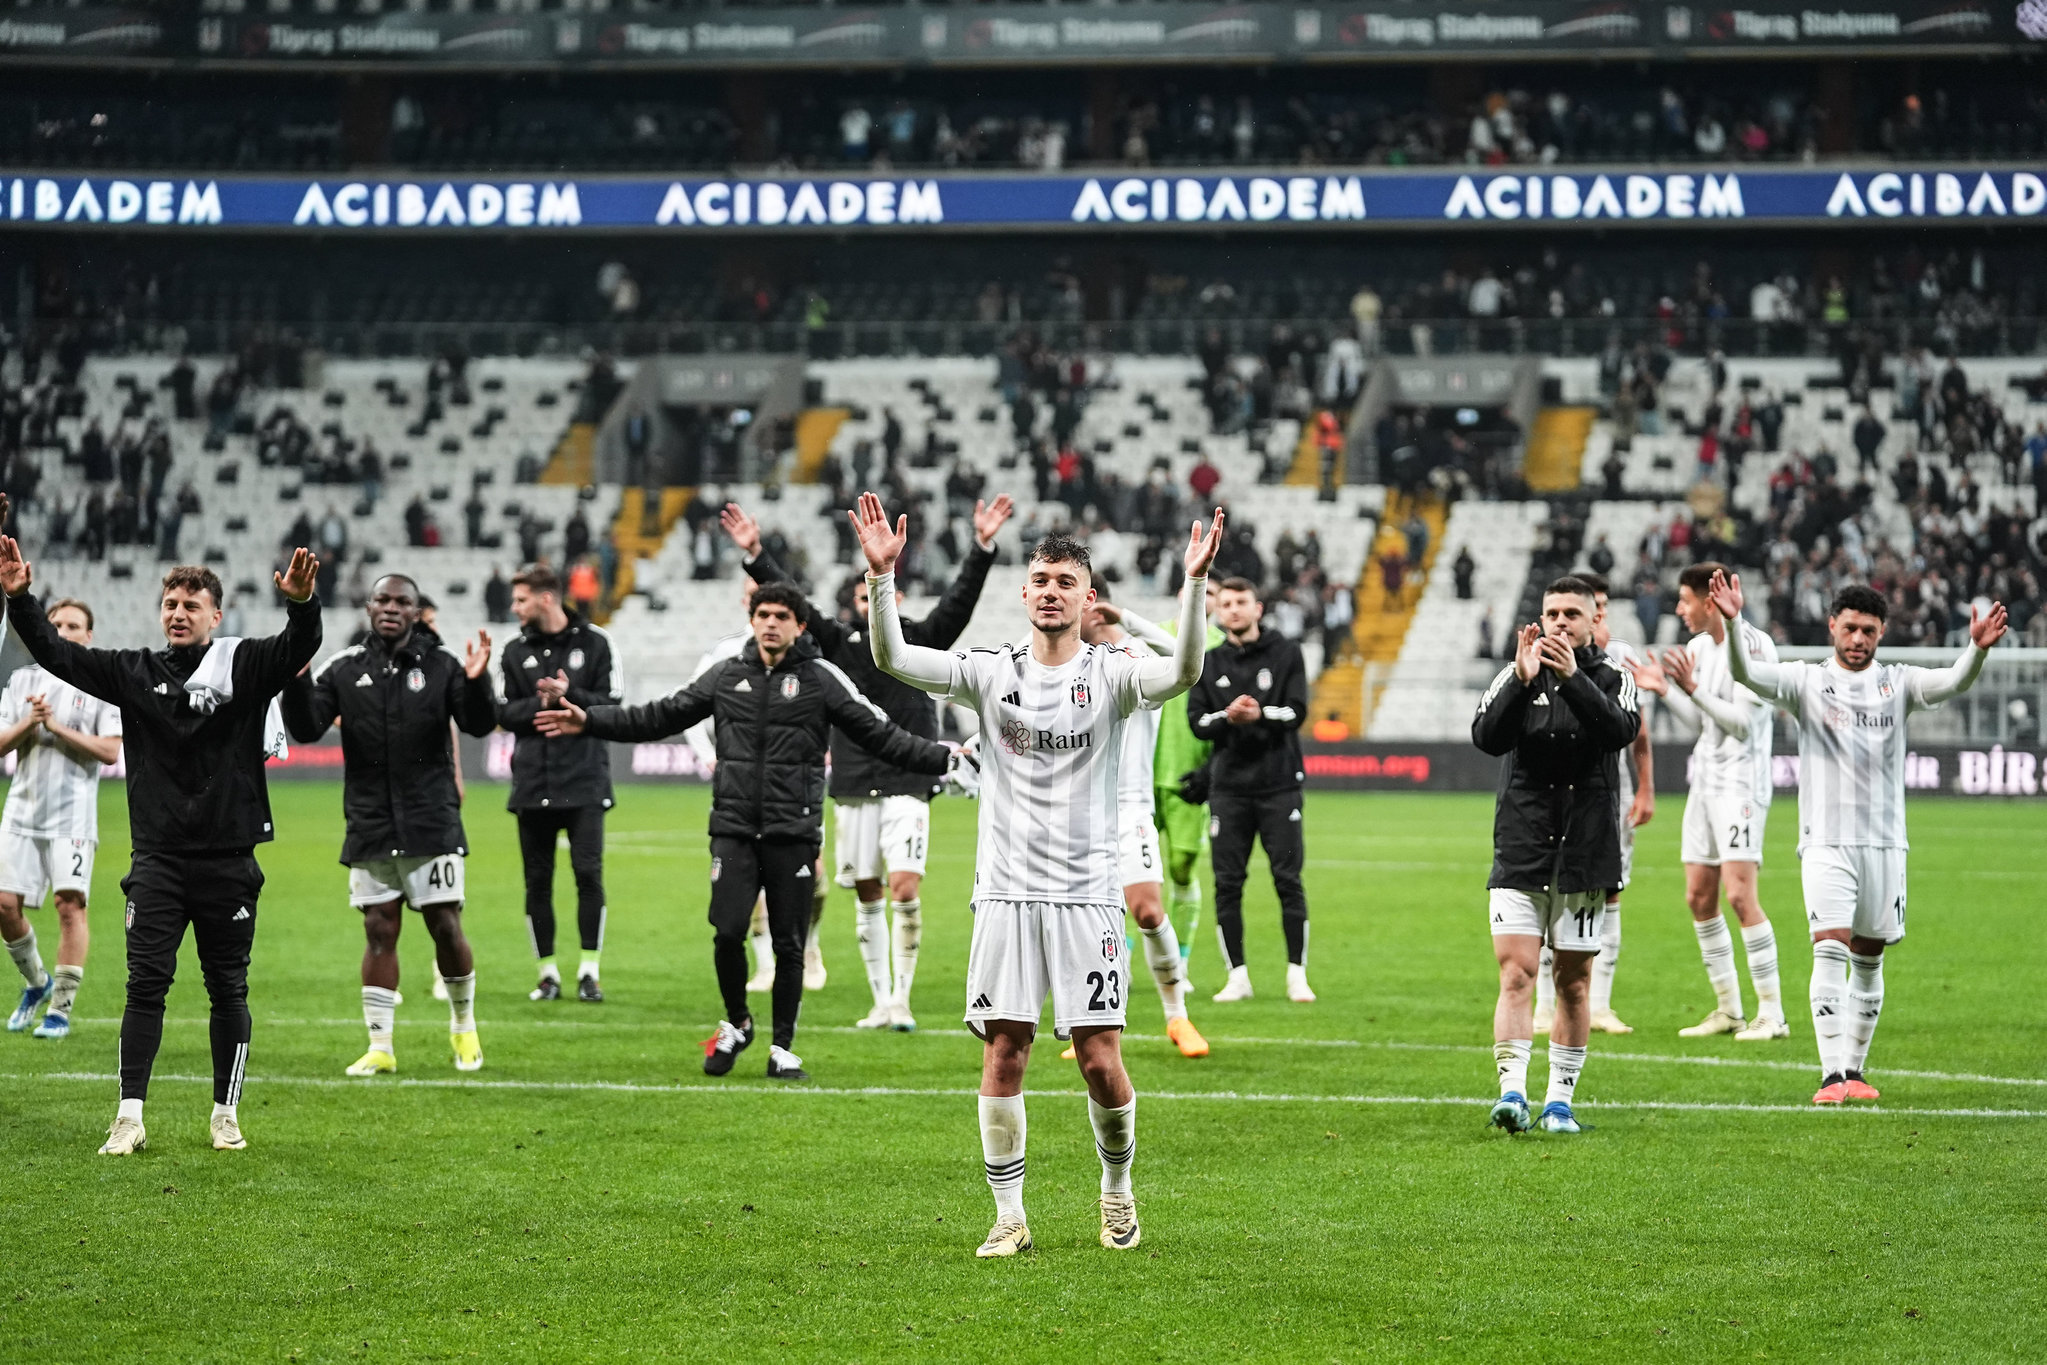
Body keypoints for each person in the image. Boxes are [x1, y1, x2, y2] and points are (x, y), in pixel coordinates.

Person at [860, 492, 1222, 1257]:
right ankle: (1009, 1216)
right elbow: (892, 658)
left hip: (1088, 895)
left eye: (1066, 579)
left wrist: (1192, 586)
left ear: (1087, 598)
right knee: (1006, 1049)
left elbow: (1186, 669)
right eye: (1041, 578)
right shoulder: (989, 672)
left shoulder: (1115, 673)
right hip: (1004, 893)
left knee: (1098, 1059)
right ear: (1023, 593)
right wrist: (881, 579)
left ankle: (1116, 1191)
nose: (1052, 589)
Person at [534, 582, 950, 1083]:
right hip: (733, 827)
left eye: (781, 616)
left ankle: (782, 1046)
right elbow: (660, 714)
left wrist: (945, 757)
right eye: (763, 614)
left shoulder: (822, 679)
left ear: (799, 626)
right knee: (727, 931)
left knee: (789, 944)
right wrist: (590, 718)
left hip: (792, 829)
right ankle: (737, 1023)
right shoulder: (726, 675)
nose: (770, 623)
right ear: (752, 621)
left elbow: (881, 735)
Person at [0, 527, 322, 1156]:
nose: (178, 614)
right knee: (145, 986)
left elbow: (300, 645)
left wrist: (303, 603)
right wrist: (19, 597)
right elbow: (57, 655)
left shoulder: (247, 664)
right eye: (170, 604)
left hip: (230, 858)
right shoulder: (133, 672)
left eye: (191, 605)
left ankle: (225, 1114)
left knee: (227, 989)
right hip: (157, 861)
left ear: (215, 615)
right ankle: (129, 1116)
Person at [722, 494, 1014, 1029]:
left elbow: (961, 600)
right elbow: (796, 606)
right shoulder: (841, 644)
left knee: (904, 886)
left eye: (875, 591)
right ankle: (881, 1001)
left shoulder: (921, 639)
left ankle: (901, 998)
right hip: (854, 784)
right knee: (868, 891)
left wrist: (982, 546)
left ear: (895, 594)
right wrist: (756, 555)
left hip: (909, 780)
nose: (867, 600)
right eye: (859, 595)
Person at [1712, 572, 2006, 1104]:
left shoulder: (1898, 682)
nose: (1858, 640)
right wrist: (1733, 622)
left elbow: (1954, 683)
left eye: (1868, 630)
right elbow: (1744, 673)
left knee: (1870, 957)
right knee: (1831, 948)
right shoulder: (1804, 681)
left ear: (1882, 632)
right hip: (1825, 842)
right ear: (1832, 627)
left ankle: (1854, 1070)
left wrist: (1975, 651)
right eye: (1849, 629)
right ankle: (1829, 1076)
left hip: (1887, 844)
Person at [282, 574, 499, 1077]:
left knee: (445, 926)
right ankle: (380, 1046)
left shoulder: (443, 665)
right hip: (371, 821)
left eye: (403, 601)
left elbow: (478, 724)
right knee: (379, 930)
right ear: (368, 607)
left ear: (417, 611)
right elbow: (307, 727)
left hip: (431, 819)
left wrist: (477, 681)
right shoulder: (343, 669)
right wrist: (296, 678)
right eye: (382, 599)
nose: (391, 608)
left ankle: (463, 1026)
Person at [1472, 577, 1640, 1136]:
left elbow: (1618, 731)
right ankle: (1513, 1093)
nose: (1561, 621)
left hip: (1585, 851)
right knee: (1516, 972)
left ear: (1596, 621)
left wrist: (1571, 680)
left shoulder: (1616, 677)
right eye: (1552, 612)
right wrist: (1522, 683)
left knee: (1572, 981)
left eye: (1572, 613)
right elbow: (1486, 739)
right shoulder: (1514, 672)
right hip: (1521, 847)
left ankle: (1560, 1103)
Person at [1631, 562, 1787, 1042]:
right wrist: (1667, 691)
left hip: (1741, 784)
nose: (1679, 609)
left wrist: (1690, 689)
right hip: (1707, 780)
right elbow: (1703, 723)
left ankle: (1773, 1013)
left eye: (1684, 600)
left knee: (1740, 895)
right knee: (1700, 896)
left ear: (1708, 600)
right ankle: (1728, 1009)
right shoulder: (1698, 648)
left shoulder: (1756, 646)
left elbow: (1742, 724)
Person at [1057, 584, 1208, 1060]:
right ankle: (1094, 1029)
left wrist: (1126, 616)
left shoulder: (1136, 655)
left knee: (1146, 911)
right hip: (1077, 814)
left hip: (1130, 809)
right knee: (1087, 924)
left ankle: (1177, 1015)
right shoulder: (1061, 662)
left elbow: (1185, 654)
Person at [1533, 574, 1652, 1037]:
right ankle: (1545, 1007)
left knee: (1611, 892)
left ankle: (1600, 1004)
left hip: (1611, 789)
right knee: (1545, 890)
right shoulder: (1543, 655)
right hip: (1556, 795)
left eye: (1594, 608)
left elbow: (1638, 733)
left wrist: (1646, 789)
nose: (1586, 616)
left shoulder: (1620, 661)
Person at [497, 564, 621, 1003]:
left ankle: (590, 970)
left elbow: (614, 704)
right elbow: (503, 712)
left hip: (585, 780)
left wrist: (571, 699)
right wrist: (542, 702)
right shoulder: (512, 651)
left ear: (545, 598)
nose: (515, 608)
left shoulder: (597, 643)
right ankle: (546, 973)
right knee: (538, 883)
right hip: (532, 783)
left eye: (521, 600)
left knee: (589, 875)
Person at [0, 597, 122, 1040]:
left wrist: (58, 727)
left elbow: (111, 750)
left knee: (69, 908)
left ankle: (61, 1009)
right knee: (4, 907)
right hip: (21, 811)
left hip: (72, 816)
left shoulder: (101, 683)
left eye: (74, 625)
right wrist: (30, 723)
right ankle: (37, 983)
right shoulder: (21, 682)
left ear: (88, 636)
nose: (64, 631)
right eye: (57, 624)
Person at [1190, 577, 1312, 1004]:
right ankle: (1236, 975)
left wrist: (1258, 714)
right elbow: (1197, 722)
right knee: (1227, 884)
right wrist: (1228, 715)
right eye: (1226, 603)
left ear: (1258, 608)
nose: (1234, 609)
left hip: (1279, 785)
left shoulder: (1286, 653)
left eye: (1242, 601)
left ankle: (1297, 974)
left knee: (1288, 880)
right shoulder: (1207, 661)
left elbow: (1297, 712)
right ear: (1218, 612)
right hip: (1229, 790)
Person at [1150, 578, 1223, 991]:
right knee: (1131, 871)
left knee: (1180, 868)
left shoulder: (1221, 648)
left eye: (1213, 594)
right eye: (1201, 591)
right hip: (1142, 774)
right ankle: (1120, 960)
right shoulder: (1152, 636)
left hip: (1186, 773)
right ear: (1184, 593)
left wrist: (1208, 770)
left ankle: (1180, 961)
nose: (1204, 599)